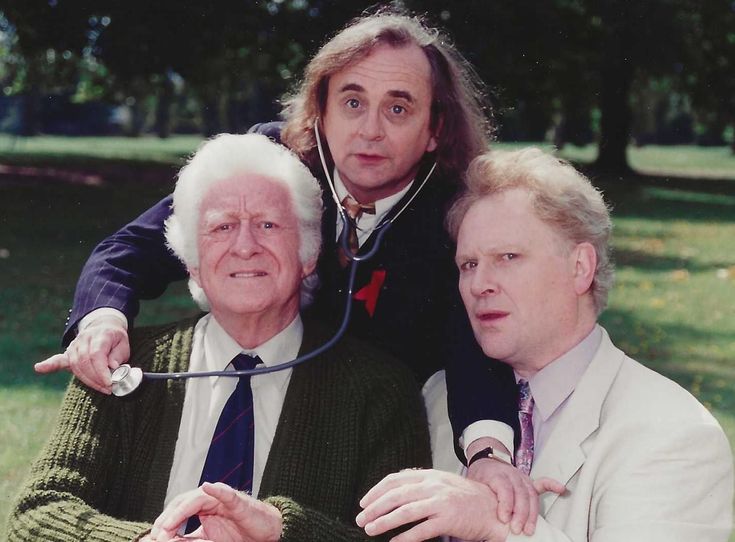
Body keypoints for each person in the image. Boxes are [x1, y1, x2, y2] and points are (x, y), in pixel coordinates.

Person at [36, 10, 542, 535]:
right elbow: (132, 248)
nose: (371, 130)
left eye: (398, 107)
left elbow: (472, 339)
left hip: (371, 422)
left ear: (435, 129)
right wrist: (101, 320)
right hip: (254, 382)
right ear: (319, 111)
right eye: (352, 103)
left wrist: (486, 450)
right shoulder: (269, 165)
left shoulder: (457, 214)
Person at [8, 134, 432, 542]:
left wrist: (283, 532)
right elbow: (37, 514)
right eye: (222, 227)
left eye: (268, 224)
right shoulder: (122, 366)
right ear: (191, 262)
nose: (245, 246)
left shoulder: (378, 388)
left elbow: (402, 537)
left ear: (308, 254)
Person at [355, 148, 735, 542]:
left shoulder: (672, 433)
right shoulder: (436, 398)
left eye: (508, 257)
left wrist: (497, 526)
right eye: (468, 264)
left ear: (580, 268)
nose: (479, 284)